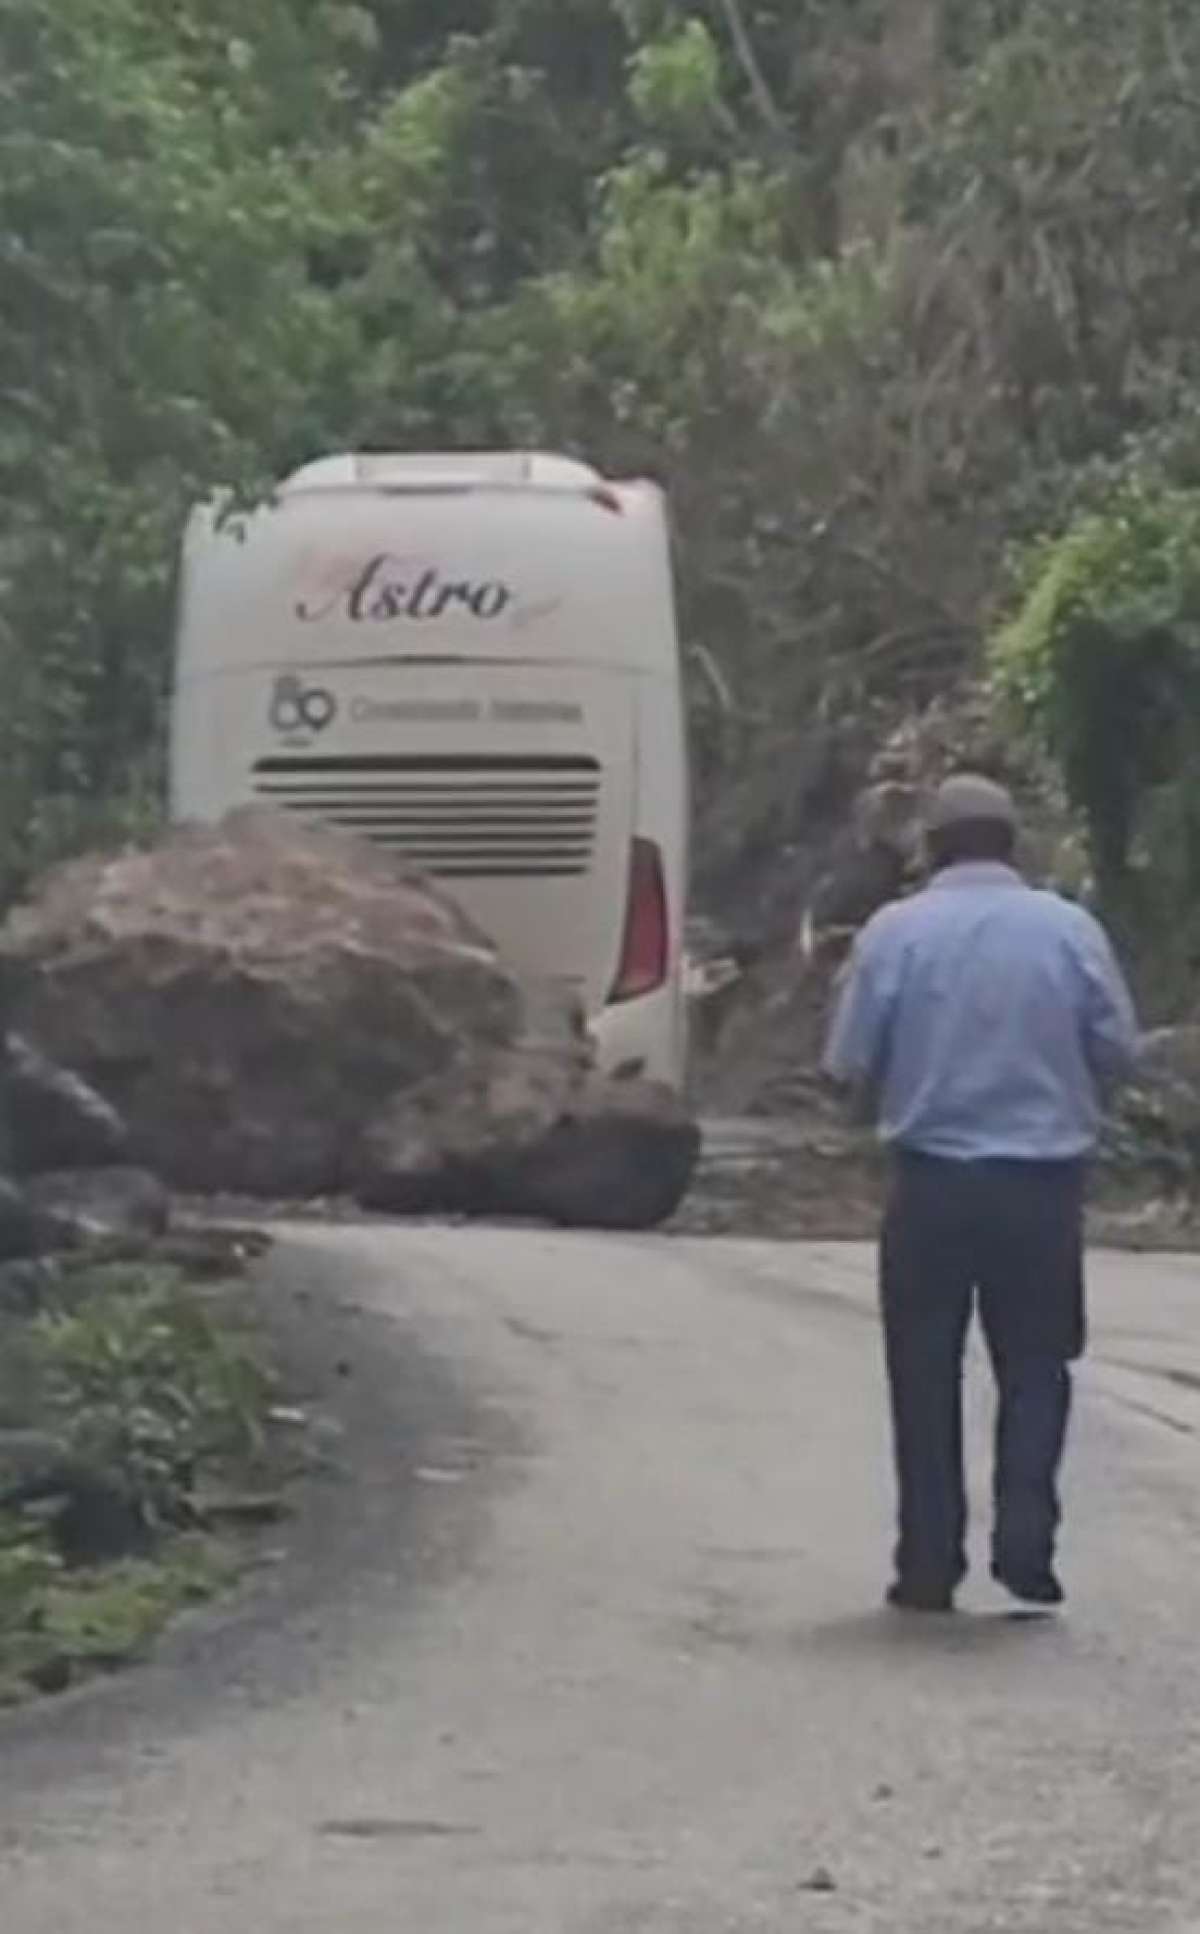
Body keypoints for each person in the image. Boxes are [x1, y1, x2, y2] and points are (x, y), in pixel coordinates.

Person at [823, 774, 1140, 1613]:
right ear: (1014, 844)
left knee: (923, 1370)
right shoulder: (1069, 929)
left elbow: (847, 1063)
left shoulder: (895, 932)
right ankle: (1027, 1543)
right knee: (1037, 1364)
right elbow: (1118, 1048)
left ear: (930, 848)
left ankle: (928, 1562)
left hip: (930, 1185)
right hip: (1041, 1188)